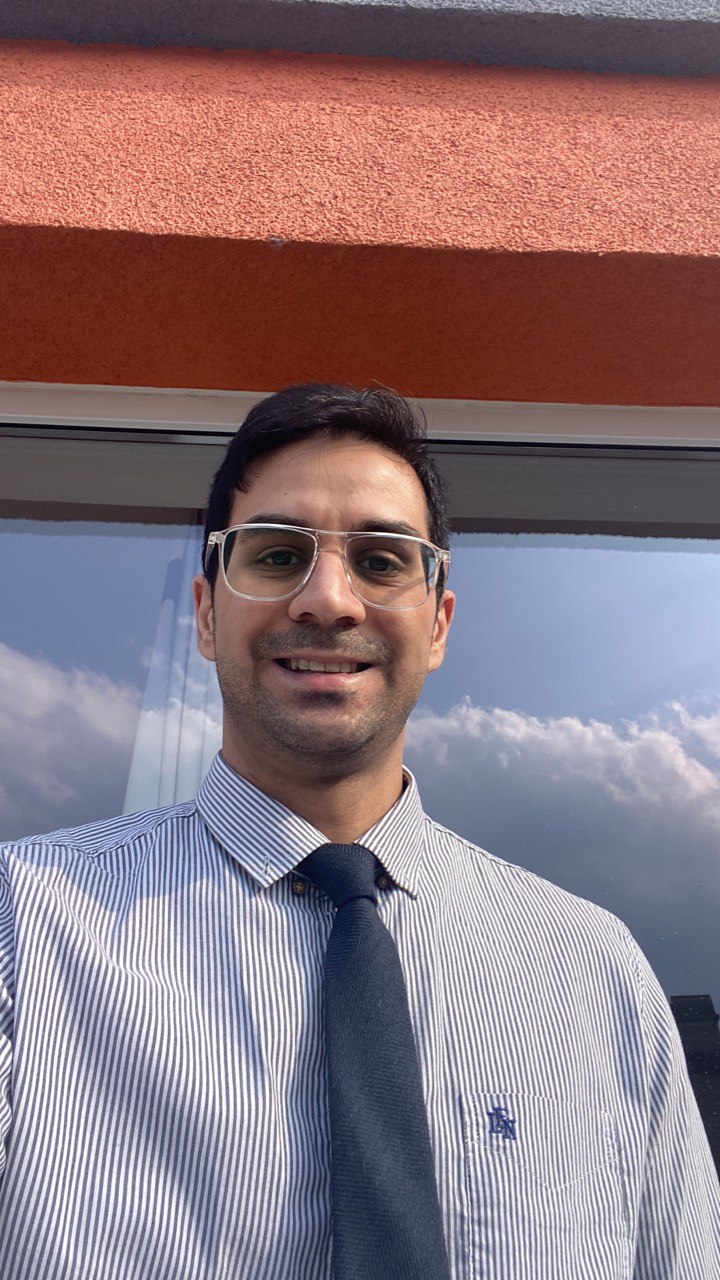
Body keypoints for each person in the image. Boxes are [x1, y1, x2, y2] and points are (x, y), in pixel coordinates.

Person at [0, 383, 718, 1280]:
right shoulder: (21, 932)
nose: (329, 600)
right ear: (207, 614)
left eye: (381, 561)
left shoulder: (599, 976)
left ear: (439, 625)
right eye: (276, 554)